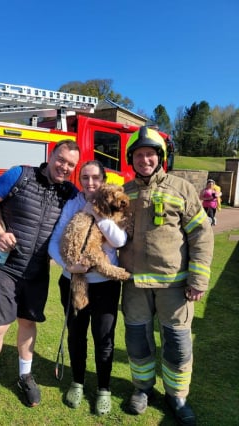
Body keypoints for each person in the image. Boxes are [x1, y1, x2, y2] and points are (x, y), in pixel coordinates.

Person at [0, 140, 80, 426]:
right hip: (5, 266)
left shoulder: (69, 192)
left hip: (37, 271)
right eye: (61, 160)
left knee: (28, 323)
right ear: (51, 156)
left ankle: (25, 376)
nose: (65, 167)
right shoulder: (19, 174)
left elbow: (89, 210)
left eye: (71, 164)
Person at [119, 127, 214, 425]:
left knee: (177, 342)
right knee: (137, 341)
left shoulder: (181, 189)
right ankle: (143, 389)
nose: (144, 159)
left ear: (160, 157)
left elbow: (201, 234)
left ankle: (177, 395)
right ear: (131, 158)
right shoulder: (125, 192)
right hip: (134, 284)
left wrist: (197, 279)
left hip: (174, 285)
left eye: (150, 154)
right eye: (138, 155)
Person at [48, 160, 127, 416]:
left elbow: (119, 241)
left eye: (95, 178)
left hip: (105, 285)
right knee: (76, 335)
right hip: (72, 283)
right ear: (79, 180)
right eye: (84, 178)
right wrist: (69, 266)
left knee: (104, 339)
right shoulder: (72, 203)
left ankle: (104, 388)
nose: (90, 183)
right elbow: (55, 241)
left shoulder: (113, 203)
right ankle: (78, 382)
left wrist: (98, 216)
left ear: (103, 180)